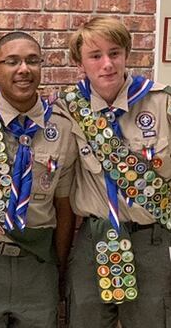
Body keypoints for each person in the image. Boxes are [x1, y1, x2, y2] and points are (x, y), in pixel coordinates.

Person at [0, 32, 76, 327]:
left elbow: (64, 208)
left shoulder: (62, 126)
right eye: (12, 61)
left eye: (32, 61)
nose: (23, 69)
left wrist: (58, 268)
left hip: (38, 265)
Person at [61, 17, 170, 327]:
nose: (107, 64)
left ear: (127, 54)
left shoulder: (161, 102)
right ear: (80, 63)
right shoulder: (67, 109)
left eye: (115, 53)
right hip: (93, 240)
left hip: (152, 240)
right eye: (95, 56)